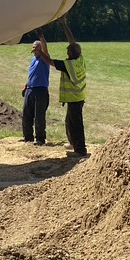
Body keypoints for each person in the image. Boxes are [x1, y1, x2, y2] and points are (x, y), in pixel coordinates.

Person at [38, 20, 87, 158]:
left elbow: (49, 61)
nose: (66, 51)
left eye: (68, 51)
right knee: (70, 122)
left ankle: (80, 150)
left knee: (76, 124)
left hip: (74, 98)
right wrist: (64, 23)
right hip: (79, 97)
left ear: (71, 54)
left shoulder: (69, 64)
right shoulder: (80, 59)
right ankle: (73, 143)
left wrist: (40, 52)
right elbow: (72, 41)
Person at [21, 38, 50, 145]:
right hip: (30, 89)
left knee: (39, 115)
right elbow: (32, 74)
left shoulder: (45, 59)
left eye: (36, 50)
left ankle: (40, 139)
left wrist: (42, 37)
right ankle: (28, 137)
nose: (34, 52)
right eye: (33, 50)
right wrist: (26, 86)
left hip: (41, 90)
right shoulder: (33, 60)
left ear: (40, 49)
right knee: (27, 114)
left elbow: (46, 50)